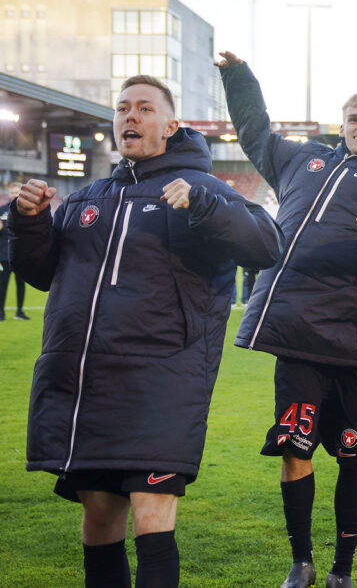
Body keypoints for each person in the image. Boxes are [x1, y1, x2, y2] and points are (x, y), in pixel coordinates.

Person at [8, 75, 282, 587]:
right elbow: (41, 274)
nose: (130, 116)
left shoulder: (202, 187)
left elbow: (266, 244)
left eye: (144, 108)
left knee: (152, 515)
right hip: (87, 381)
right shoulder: (88, 197)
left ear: (170, 125)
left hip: (162, 380)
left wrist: (205, 207)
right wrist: (29, 222)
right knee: (98, 517)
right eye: (122, 108)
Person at [216, 51, 357, 588]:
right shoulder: (300, 159)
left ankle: (342, 569)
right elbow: (254, 131)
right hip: (297, 327)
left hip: (356, 330)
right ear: (343, 126)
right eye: (355, 119)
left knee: (353, 455)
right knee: (294, 447)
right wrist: (238, 75)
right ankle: (302, 562)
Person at [0, 181, 31, 320]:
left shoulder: (27, 211)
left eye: (17, 192)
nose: (14, 195)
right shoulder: (1, 210)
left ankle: (19, 312)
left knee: (21, 284)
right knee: (2, 285)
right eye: (12, 192)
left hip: (20, 254)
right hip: (4, 254)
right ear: (9, 193)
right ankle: (1, 312)